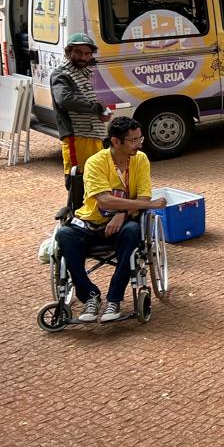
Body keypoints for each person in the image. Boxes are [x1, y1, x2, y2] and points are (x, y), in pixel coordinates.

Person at [54, 117, 166, 323]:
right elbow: (104, 200)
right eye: (133, 140)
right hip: (90, 223)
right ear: (115, 141)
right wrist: (147, 205)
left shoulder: (140, 159)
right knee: (64, 235)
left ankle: (114, 299)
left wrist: (122, 213)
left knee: (132, 232)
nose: (139, 144)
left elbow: (143, 197)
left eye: (139, 138)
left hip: (124, 224)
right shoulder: (95, 162)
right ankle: (90, 296)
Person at [51, 32, 112, 179]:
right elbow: (64, 100)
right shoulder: (62, 74)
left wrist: (99, 113)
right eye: (78, 52)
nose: (83, 57)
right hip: (77, 137)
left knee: (97, 178)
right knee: (79, 179)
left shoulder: (82, 73)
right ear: (68, 52)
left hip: (93, 135)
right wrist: (96, 107)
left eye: (87, 53)